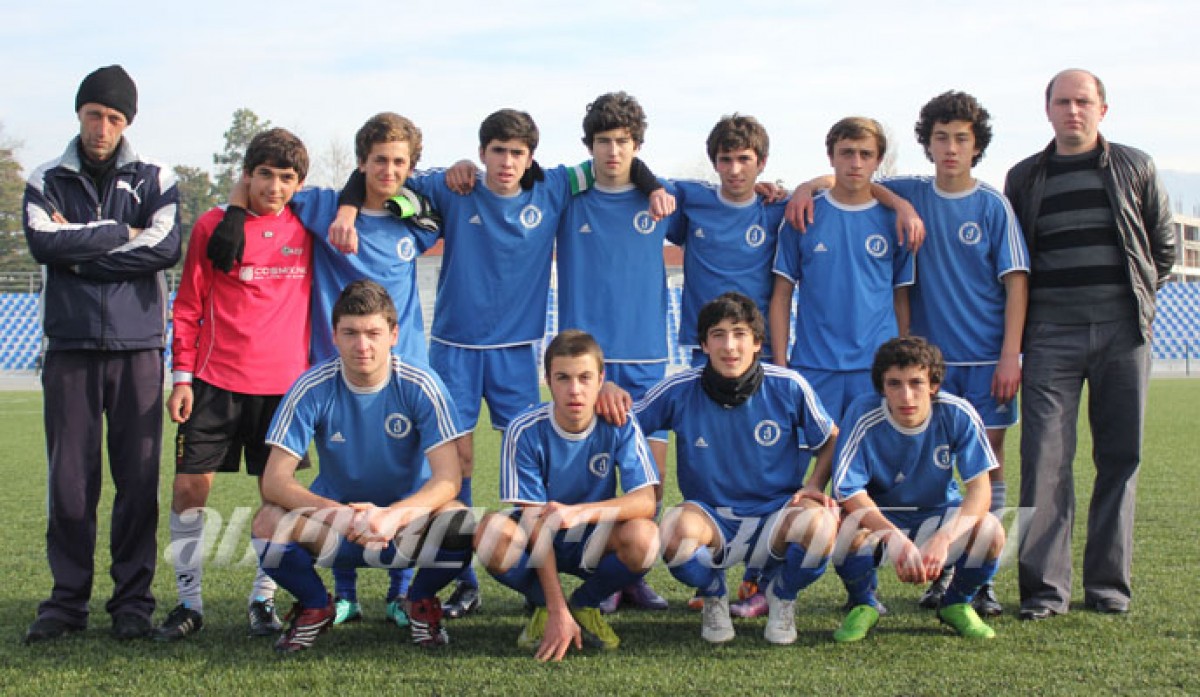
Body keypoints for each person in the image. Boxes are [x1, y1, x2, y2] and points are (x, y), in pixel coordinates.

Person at [334, 107, 670, 617]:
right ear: (482, 153)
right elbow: (388, 181)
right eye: (497, 151)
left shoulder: (553, 187)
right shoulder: (455, 187)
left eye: (517, 152)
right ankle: (462, 578)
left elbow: (618, 161)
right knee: (458, 463)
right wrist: (347, 209)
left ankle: (553, 568)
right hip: (456, 348)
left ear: (530, 157)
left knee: (539, 456)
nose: (507, 162)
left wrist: (652, 186)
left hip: (518, 351)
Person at [787, 92, 1028, 616]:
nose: (950, 148)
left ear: (977, 146)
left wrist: (1012, 353)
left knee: (987, 462)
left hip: (985, 359)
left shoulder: (993, 205)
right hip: (925, 363)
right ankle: (887, 564)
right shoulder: (909, 190)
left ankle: (975, 579)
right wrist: (808, 186)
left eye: (961, 139)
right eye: (941, 138)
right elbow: (851, 180)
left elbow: (1016, 281)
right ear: (927, 144)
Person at [216, 112, 440, 628]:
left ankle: (401, 593)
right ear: (361, 162)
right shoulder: (321, 207)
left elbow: (446, 187)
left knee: (406, 478)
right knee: (340, 475)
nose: (388, 171)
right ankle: (342, 595)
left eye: (399, 162)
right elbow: (261, 181)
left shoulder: (418, 217)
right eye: (378, 160)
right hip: (336, 369)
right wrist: (234, 210)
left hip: (404, 369)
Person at [1005, 69, 1174, 620]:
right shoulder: (1024, 177)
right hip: (1050, 336)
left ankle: (1107, 586)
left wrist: (1129, 303)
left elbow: (1162, 249)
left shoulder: (1135, 166)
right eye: (1063, 102)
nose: (1072, 110)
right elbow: (1016, 259)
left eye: (1083, 101)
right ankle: (1044, 592)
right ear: (1047, 110)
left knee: (1120, 458)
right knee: (1044, 462)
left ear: (1103, 109)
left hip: (1123, 334)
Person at [22, 65, 181, 644]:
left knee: (137, 483)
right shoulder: (46, 178)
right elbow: (43, 242)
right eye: (95, 115)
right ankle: (66, 604)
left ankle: (132, 603)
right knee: (70, 483)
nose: (102, 127)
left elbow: (164, 247)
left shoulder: (156, 177)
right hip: (70, 346)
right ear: (80, 113)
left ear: (126, 122)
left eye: (114, 118)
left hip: (139, 349)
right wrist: (121, 231)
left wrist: (82, 254)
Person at [251, 279, 473, 652]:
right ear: (334, 336)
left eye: (373, 333)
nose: (362, 345)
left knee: (459, 521)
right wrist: (341, 516)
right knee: (267, 522)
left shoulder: (420, 384)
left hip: (405, 529)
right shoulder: (311, 387)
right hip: (336, 529)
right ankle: (316, 605)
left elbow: (449, 478)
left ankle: (419, 602)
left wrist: (393, 516)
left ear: (393, 335)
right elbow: (274, 480)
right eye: (350, 333)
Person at [604, 292, 839, 644]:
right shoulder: (680, 389)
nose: (729, 346)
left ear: (757, 343)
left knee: (821, 526)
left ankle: (782, 596)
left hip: (777, 514)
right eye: (718, 335)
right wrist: (606, 388)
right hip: (710, 517)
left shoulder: (789, 386)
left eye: (740, 334)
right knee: (673, 534)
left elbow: (831, 439)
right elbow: (625, 422)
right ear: (704, 344)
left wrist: (815, 485)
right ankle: (714, 594)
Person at [154, 128, 313, 641]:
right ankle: (189, 604)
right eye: (264, 174)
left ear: (299, 183)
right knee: (188, 489)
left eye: (286, 177)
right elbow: (188, 304)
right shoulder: (212, 226)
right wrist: (181, 378)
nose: (274, 186)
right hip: (213, 382)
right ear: (247, 175)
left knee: (277, 498)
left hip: (283, 391)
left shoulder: (308, 224)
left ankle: (263, 600)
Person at [556, 92, 681, 611]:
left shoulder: (663, 199)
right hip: (586, 363)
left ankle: (633, 576)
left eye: (623, 141)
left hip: (647, 358)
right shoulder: (568, 196)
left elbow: (725, 198)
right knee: (592, 475)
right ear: (589, 146)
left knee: (650, 479)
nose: (613, 151)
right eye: (603, 141)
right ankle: (600, 575)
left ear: (637, 145)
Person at [477, 330, 659, 661]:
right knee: (490, 533)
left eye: (585, 378)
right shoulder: (524, 429)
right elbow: (534, 522)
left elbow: (646, 501)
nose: (575, 390)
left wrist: (581, 512)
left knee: (645, 537)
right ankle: (546, 606)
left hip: (593, 537)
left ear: (601, 380)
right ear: (547, 380)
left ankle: (585, 603)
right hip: (539, 536)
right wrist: (555, 607)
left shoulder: (620, 422)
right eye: (563, 378)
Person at [666, 114, 785, 617]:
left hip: (756, 354)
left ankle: (758, 576)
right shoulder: (691, 200)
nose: (735, 169)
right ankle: (710, 563)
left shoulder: (775, 209)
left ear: (761, 163)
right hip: (704, 350)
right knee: (706, 457)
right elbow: (641, 182)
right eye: (725, 159)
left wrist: (798, 189)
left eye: (745, 160)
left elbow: (830, 186)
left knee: (761, 458)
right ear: (713, 162)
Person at [829, 336, 1006, 642]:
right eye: (894, 384)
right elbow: (849, 491)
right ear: (882, 387)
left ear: (933, 385)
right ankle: (864, 604)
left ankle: (956, 604)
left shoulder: (957, 413)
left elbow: (980, 490)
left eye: (916, 383)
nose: (906, 395)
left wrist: (944, 537)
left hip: (937, 514)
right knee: (844, 527)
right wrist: (893, 536)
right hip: (883, 515)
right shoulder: (862, 414)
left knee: (990, 531)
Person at [769, 117, 915, 427]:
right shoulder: (803, 216)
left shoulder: (895, 221)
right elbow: (781, 296)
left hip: (877, 368)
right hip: (814, 366)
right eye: (847, 153)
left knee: (875, 456)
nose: (856, 163)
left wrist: (901, 360)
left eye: (865, 154)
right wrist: (782, 367)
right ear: (831, 157)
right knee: (811, 454)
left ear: (878, 160)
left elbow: (901, 297)